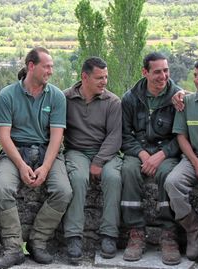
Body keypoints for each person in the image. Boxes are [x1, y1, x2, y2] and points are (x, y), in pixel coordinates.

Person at [0, 47, 73, 268]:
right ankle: (13, 248)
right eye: (46, 66)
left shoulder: (56, 96)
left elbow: (57, 137)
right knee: (2, 186)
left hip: (47, 151)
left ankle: (38, 242)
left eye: (52, 66)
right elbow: (4, 137)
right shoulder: (7, 95)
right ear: (31, 66)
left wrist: (45, 168)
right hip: (14, 152)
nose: (50, 71)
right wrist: (20, 165)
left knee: (63, 190)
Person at [121, 52, 182, 265]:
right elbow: (124, 135)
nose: (163, 76)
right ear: (145, 72)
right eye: (157, 71)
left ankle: (168, 235)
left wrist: (162, 155)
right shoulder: (130, 98)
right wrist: (142, 154)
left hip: (167, 153)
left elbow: (181, 136)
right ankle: (136, 233)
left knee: (167, 173)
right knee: (128, 170)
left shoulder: (178, 98)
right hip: (138, 152)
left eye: (166, 70)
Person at [62, 57, 122, 264]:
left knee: (113, 178)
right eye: (99, 77)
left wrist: (98, 161)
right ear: (84, 77)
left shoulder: (113, 102)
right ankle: (73, 237)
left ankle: (109, 235)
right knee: (77, 179)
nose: (104, 81)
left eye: (106, 77)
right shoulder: (65, 98)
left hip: (106, 152)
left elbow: (115, 136)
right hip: (76, 151)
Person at [164, 59, 198, 261]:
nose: (197, 81)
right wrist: (196, 163)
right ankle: (193, 230)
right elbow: (181, 136)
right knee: (172, 182)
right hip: (192, 157)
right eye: (195, 76)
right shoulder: (186, 102)